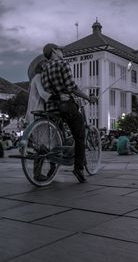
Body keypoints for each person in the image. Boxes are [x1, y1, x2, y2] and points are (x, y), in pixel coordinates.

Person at [41, 43, 97, 183]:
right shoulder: (62, 64)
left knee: (57, 139)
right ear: (54, 50)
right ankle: (78, 168)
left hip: (51, 108)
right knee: (79, 136)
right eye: (60, 50)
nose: (62, 52)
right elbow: (72, 87)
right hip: (66, 106)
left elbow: (47, 90)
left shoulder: (44, 69)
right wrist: (88, 98)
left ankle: (52, 167)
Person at [25, 54, 52, 125]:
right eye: (45, 63)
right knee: (43, 134)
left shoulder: (35, 78)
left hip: (33, 110)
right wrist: (55, 97)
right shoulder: (38, 77)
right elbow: (42, 93)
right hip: (38, 109)